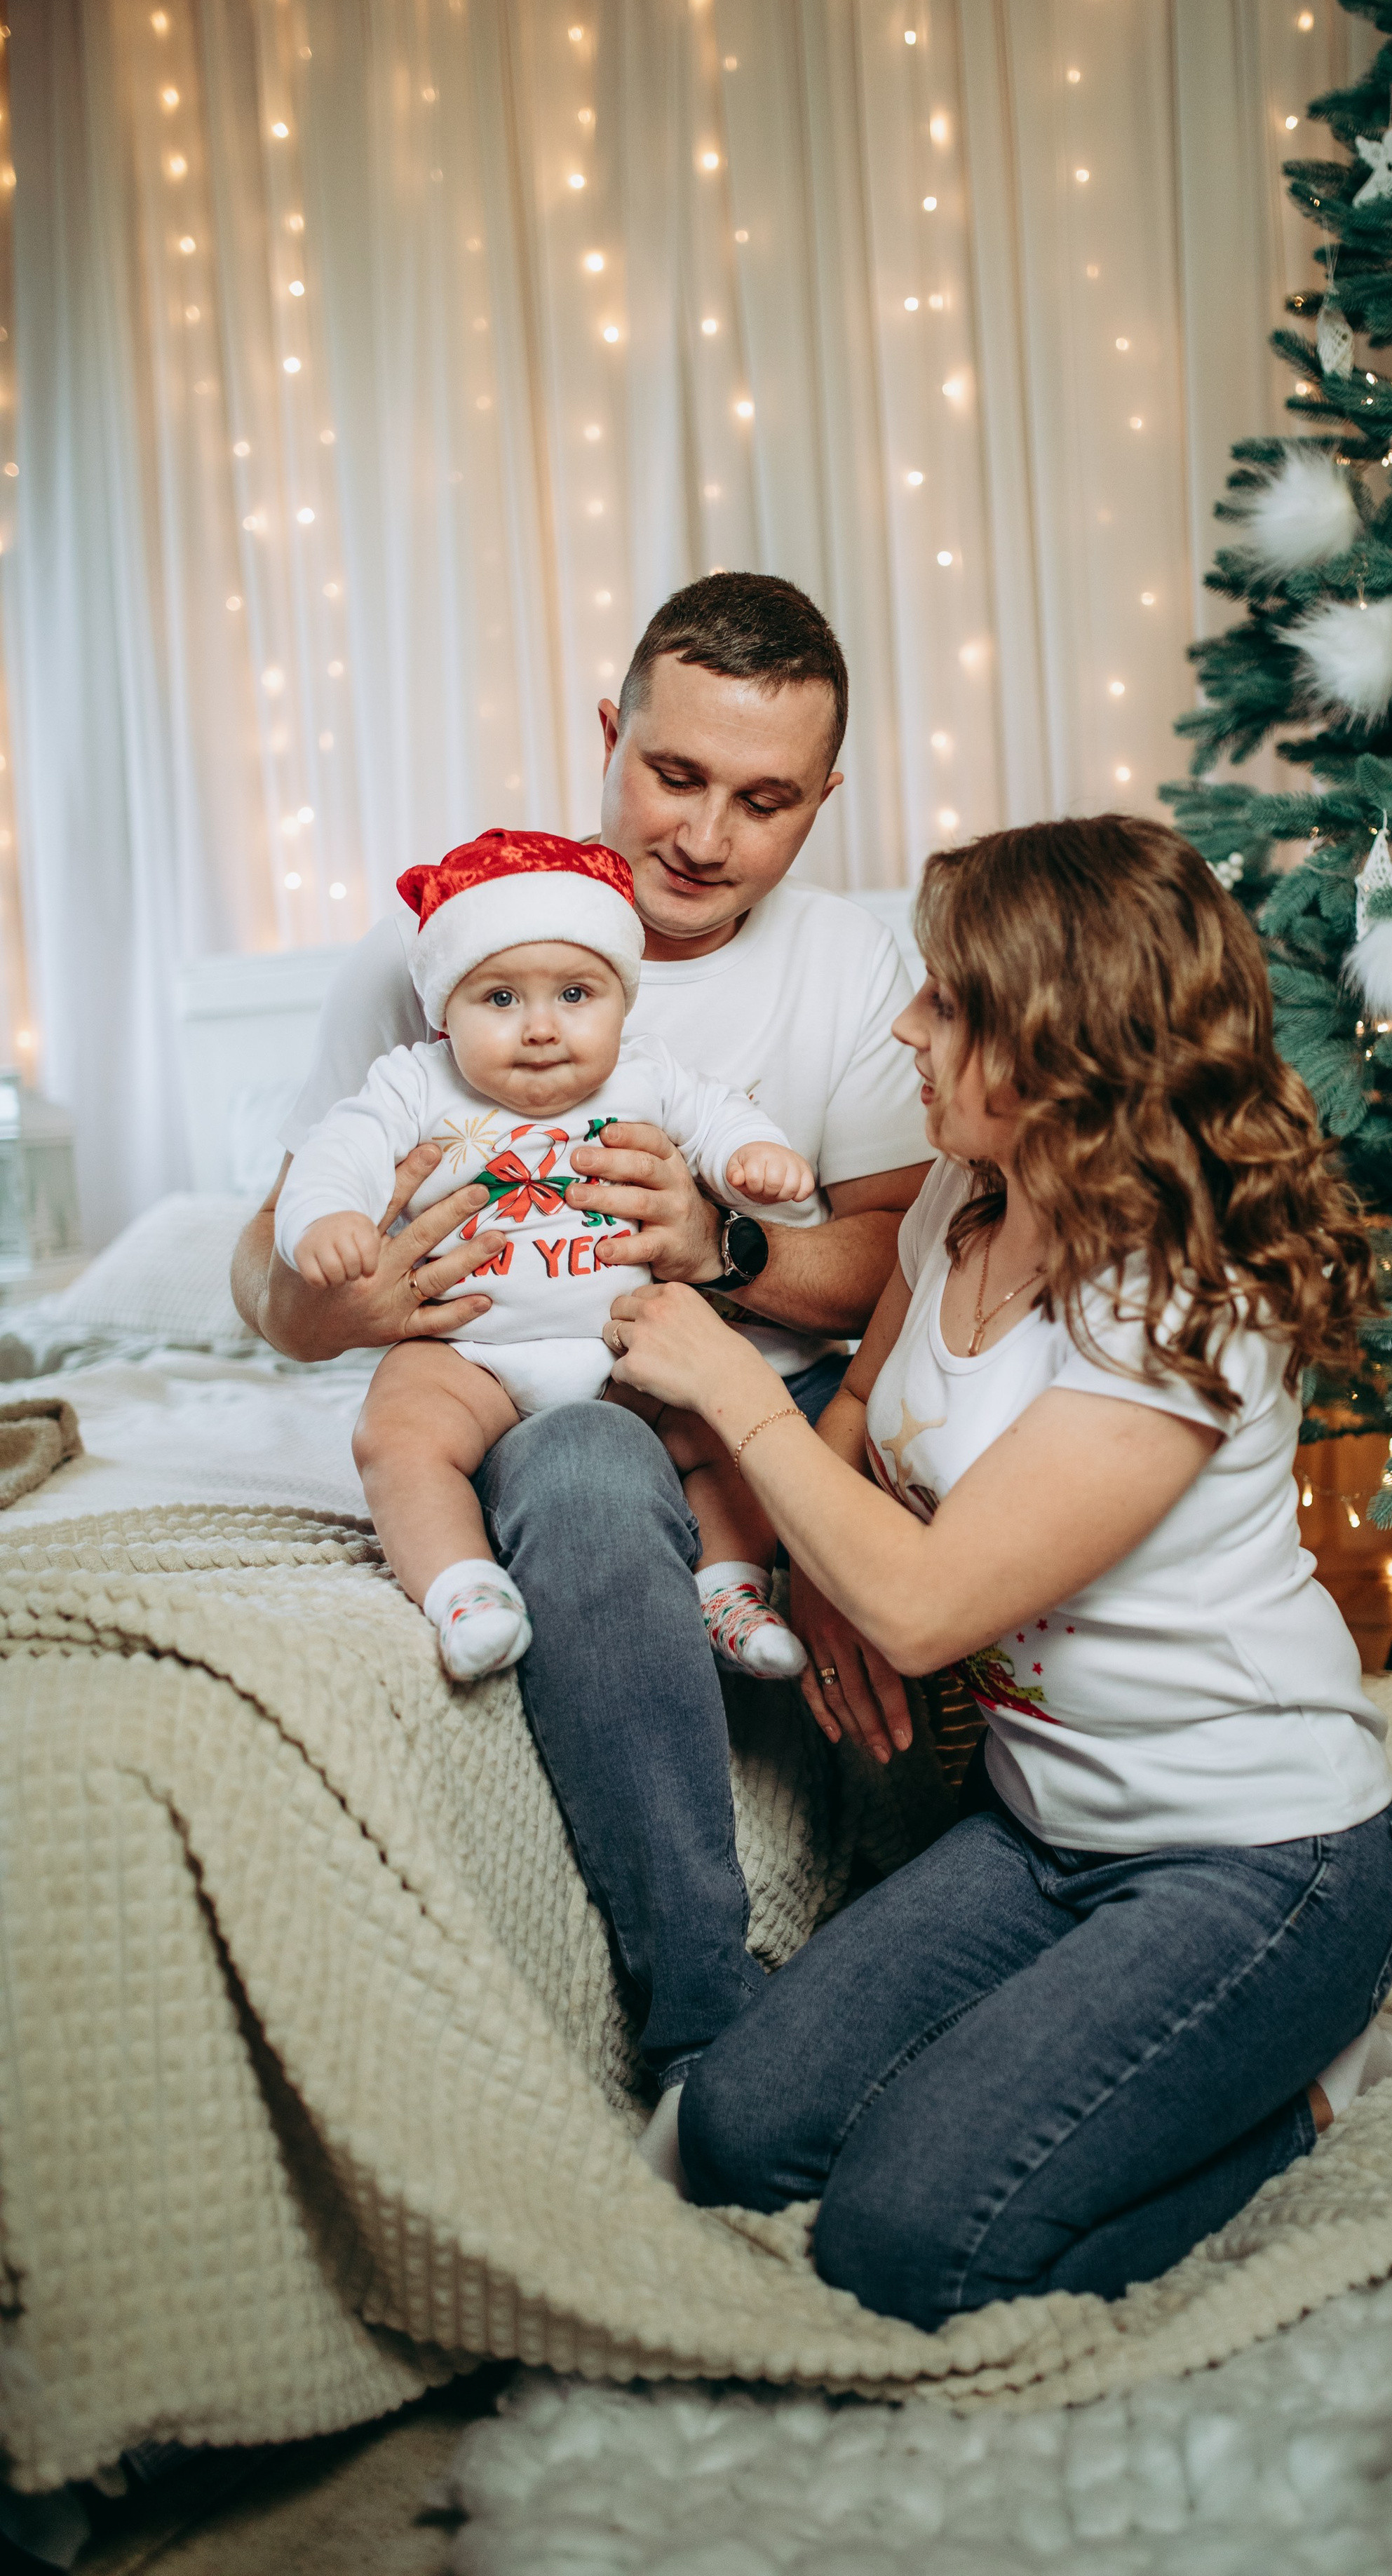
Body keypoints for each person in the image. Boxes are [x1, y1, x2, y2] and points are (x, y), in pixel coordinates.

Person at [601, 812, 1392, 2318]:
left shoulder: (1189, 1295)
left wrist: (723, 1381)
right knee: (737, 2133)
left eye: (942, 1002)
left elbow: (925, 1606)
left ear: (1055, 1045)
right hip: (1039, 1830)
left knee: (916, 2241)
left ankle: (1305, 2097)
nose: (904, 1030)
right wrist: (812, 1576)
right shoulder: (957, 1193)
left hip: (1254, 1856)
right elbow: (858, 1411)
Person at [231, 574, 931, 2119]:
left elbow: (907, 1252)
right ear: (608, 732)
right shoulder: (444, 941)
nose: (702, 836)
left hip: (736, 1383)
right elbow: (268, 1286)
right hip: (516, 1383)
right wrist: (342, 1299)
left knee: (642, 1437)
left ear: (823, 801)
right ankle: (703, 2017)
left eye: (763, 801)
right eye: (671, 775)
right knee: (581, 1456)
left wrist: (721, 1246)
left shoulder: (851, 969)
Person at [276, 828, 816, 1683]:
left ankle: (729, 1588)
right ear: (444, 1008)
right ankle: (462, 1591)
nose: (539, 1029)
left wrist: (752, 1154)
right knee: (395, 1433)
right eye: (498, 999)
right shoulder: (415, 1082)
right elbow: (337, 1150)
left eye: (574, 994)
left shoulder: (647, 1073)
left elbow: (717, 1116)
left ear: (621, 1004)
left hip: (625, 1348)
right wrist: (328, 1216)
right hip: (472, 1357)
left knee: (726, 1414)